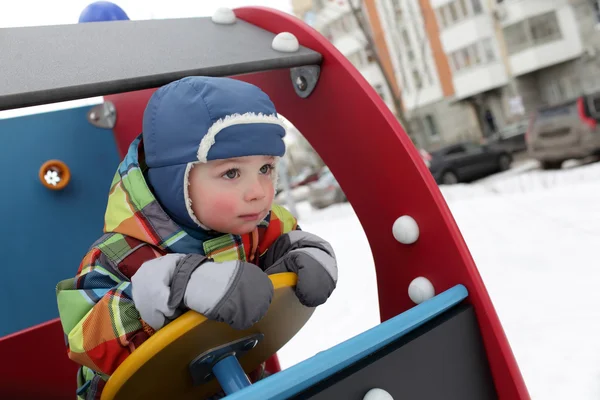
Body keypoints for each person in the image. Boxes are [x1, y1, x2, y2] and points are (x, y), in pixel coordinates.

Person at [56, 76, 338, 399]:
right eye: (231, 173)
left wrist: (305, 252)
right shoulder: (117, 254)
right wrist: (172, 289)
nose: (259, 193)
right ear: (177, 180)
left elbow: (284, 239)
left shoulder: (256, 225)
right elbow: (83, 339)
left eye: (266, 168)